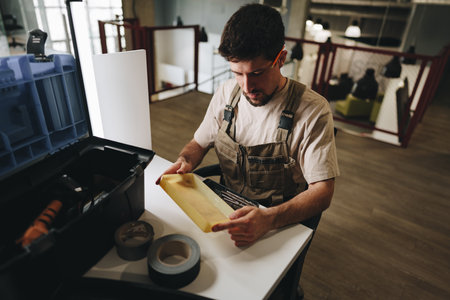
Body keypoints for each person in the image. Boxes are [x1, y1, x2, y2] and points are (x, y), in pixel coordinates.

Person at [157, 4, 339, 247]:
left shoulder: (313, 110)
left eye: (256, 74)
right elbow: (198, 143)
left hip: (277, 222)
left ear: (281, 59)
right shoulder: (226, 93)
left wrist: (269, 219)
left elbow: (322, 192)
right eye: (237, 73)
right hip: (225, 208)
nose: (246, 87)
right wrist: (185, 161)